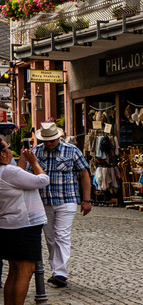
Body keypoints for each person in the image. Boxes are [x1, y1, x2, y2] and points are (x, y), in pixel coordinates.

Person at [31, 122, 89, 289]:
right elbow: (25, 174)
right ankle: (56, 270)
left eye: (52, 140)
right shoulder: (35, 152)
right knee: (50, 238)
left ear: (58, 137)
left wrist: (86, 200)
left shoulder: (72, 150)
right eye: (46, 141)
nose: (49, 144)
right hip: (43, 201)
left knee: (62, 235)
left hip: (67, 200)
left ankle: (60, 273)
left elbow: (84, 173)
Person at [0, 138, 49, 305]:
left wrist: (22, 160)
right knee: (25, 271)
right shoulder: (9, 172)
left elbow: (15, 177)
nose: (9, 151)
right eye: (7, 148)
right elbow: (43, 180)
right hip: (24, 225)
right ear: (2, 153)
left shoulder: (4, 172)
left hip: (7, 225)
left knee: (14, 271)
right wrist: (34, 162)